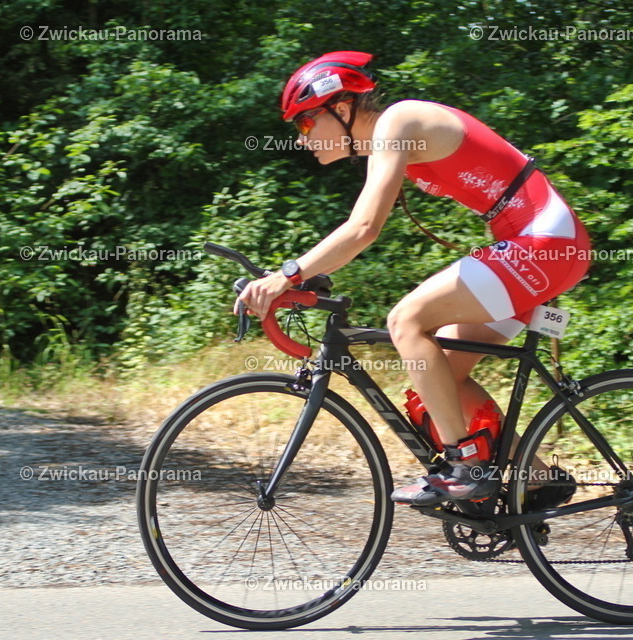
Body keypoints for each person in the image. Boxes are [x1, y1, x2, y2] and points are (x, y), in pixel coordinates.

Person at [237, 51, 589, 507]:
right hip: (537, 244)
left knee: (406, 320)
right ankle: (535, 477)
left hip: (544, 239)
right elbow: (360, 231)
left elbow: (364, 228)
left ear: (341, 110)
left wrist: (289, 274)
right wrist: (310, 274)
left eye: (305, 124)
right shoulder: (388, 142)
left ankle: (465, 465)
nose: (302, 139)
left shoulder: (396, 122)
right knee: (443, 366)